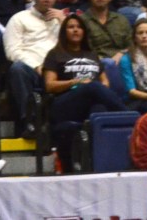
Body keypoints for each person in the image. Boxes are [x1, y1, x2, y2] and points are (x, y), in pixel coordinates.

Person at [43, 13, 127, 167]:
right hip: (64, 103)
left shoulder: (91, 54)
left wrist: (96, 88)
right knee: (93, 87)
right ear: (64, 32)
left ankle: (101, 163)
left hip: (88, 101)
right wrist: (76, 82)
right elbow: (50, 85)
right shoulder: (55, 54)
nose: (76, 30)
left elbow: (105, 82)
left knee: (99, 108)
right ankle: (128, 115)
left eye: (79, 27)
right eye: (71, 27)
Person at [3, 0, 65, 139]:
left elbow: (76, 47)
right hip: (32, 70)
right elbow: (12, 51)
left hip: (60, 70)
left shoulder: (63, 20)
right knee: (17, 68)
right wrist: (36, 65)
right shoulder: (19, 19)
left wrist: (64, 23)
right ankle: (30, 121)